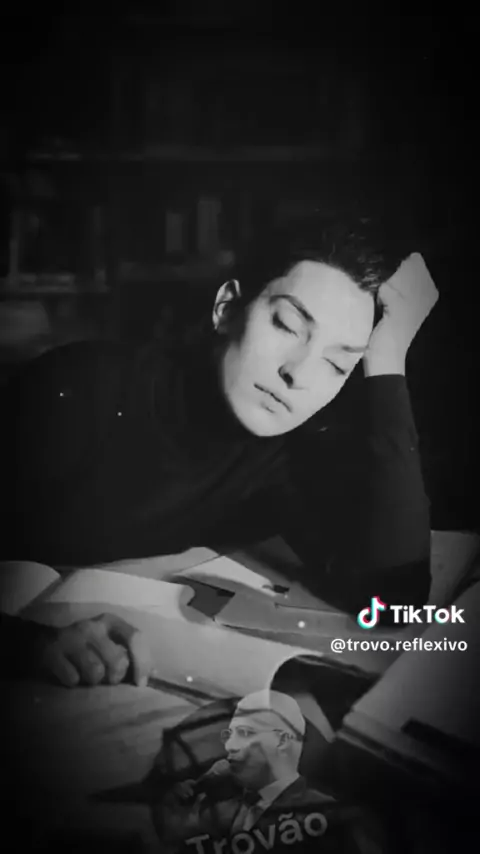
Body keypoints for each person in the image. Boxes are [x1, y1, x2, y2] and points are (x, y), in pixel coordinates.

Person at [0, 213, 438, 688]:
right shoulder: (76, 391)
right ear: (227, 308)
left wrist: (388, 360)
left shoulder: (285, 456)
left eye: (337, 364)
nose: (298, 373)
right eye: (287, 325)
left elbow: (394, 602)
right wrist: (34, 644)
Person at [153, 689, 385, 852]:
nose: (230, 745)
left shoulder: (330, 817)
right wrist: (178, 834)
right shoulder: (215, 812)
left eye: (245, 733)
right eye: (230, 735)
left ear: (282, 741)